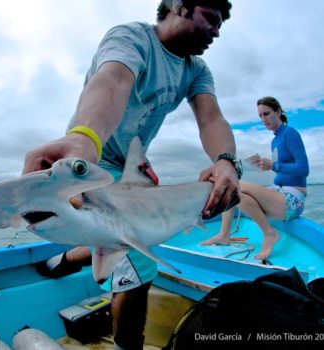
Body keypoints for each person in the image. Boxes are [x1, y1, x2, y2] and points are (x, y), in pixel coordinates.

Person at [24, 1, 239, 349]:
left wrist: (226, 160)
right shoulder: (132, 38)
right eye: (211, 19)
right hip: (93, 159)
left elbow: (211, 118)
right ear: (180, 7)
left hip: (133, 164)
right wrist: (85, 138)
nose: (216, 31)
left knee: (127, 236)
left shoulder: (196, 70)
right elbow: (114, 80)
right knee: (138, 270)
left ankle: (65, 259)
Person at [201, 96, 309, 261]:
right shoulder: (275, 141)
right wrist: (261, 165)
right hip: (279, 193)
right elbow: (282, 169)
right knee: (234, 193)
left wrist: (273, 165)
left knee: (233, 183)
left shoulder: (290, 133)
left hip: (293, 200)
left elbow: (303, 169)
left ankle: (269, 233)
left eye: (266, 114)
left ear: (278, 112)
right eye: (260, 116)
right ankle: (224, 234)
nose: (263, 119)